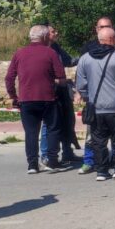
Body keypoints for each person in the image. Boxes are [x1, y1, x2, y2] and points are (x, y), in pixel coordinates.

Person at [5, 25, 70, 173]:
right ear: (45, 37)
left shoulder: (19, 53)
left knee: (31, 132)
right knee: (53, 129)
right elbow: (61, 77)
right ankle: (52, 161)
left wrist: (13, 96)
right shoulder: (50, 53)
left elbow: (9, 78)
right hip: (47, 98)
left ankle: (32, 164)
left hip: (26, 99)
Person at [77, 17, 115, 175]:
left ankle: (101, 171)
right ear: (113, 39)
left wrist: (87, 97)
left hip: (96, 107)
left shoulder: (85, 58)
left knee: (98, 141)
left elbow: (81, 83)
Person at [39, 24, 80, 165]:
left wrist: (86, 56)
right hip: (49, 92)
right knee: (48, 124)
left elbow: (68, 61)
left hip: (61, 90)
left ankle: (67, 153)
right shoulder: (41, 50)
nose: (56, 33)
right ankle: (45, 155)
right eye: (53, 31)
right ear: (45, 33)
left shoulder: (56, 47)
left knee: (67, 121)